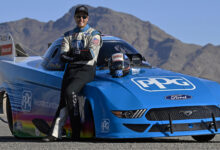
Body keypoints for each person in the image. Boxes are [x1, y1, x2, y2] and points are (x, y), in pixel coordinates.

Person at [43, 5, 102, 142]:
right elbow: (63, 56)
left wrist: (73, 54)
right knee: (63, 100)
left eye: (84, 16)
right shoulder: (68, 35)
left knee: (70, 92)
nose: (81, 19)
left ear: (88, 18)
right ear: (74, 18)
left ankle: (76, 131)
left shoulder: (95, 34)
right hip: (70, 70)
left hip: (86, 70)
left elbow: (90, 54)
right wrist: (78, 54)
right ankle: (55, 134)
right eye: (78, 16)